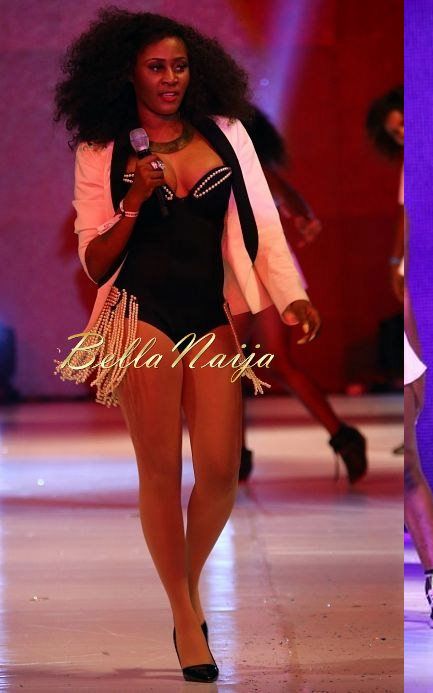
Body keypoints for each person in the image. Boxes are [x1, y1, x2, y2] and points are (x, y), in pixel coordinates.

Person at [53, 8, 321, 683]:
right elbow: (94, 260)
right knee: (160, 472)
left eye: (179, 65)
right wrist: (135, 201)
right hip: (139, 316)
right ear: (129, 74)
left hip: (210, 313)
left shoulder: (226, 132)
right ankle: (184, 615)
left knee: (221, 471)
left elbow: (262, 222)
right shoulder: (101, 148)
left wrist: (291, 296)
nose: (170, 78)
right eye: (156, 67)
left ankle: (185, 586)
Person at [366, 86, 433, 628]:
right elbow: (403, 234)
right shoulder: (410, 171)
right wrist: (394, 266)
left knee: (408, 460)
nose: (403, 134)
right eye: (395, 131)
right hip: (413, 305)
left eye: (406, 123)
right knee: (406, 458)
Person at [235, 107, 367, 483]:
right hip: (257, 268)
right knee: (261, 362)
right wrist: (302, 215)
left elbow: (281, 191)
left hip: (253, 268)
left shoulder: (237, 160)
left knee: (230, 363)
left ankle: (236, 454)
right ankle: (342, 436)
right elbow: (285, 193)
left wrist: (302, 215)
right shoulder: (241, 161)